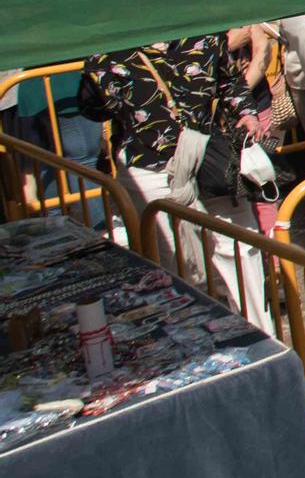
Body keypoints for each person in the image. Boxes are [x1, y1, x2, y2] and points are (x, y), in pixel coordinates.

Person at [77, 36, 272, 333]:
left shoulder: (204, 33)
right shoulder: (109, 49)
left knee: (241, 249)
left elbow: (228, 81)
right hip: (150, 170)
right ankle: (193, 345)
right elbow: (93, 107)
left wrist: (247, 114)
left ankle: (262, 337)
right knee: (173, 266)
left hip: (211, 161)